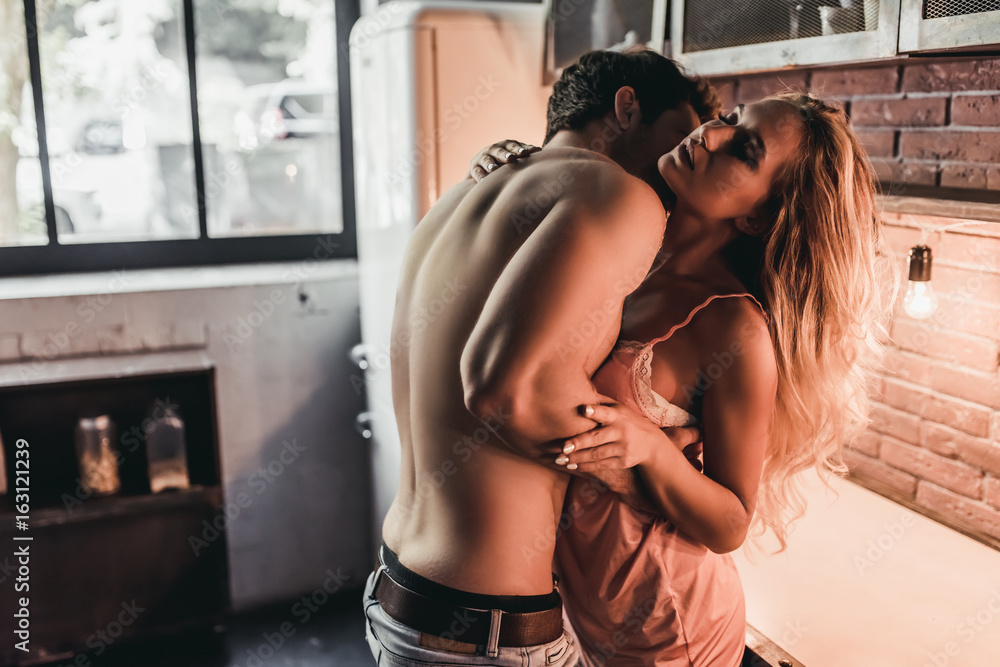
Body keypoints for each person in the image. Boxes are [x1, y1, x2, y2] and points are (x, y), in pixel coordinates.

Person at [468, 92, 896, 665]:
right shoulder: (630, 250)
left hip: (672, 625)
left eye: (743, 150)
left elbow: (730, 523)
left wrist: (651, 450)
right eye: (728, 118)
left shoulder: (732, 326)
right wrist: (516, 170)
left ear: (758, 216)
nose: (710, 135)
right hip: (585, 613)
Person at [362, 49, 719, 667]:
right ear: (627, 107)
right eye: (681, 131)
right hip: (484, 625)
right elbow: (510, 394)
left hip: (400, 589)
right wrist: (652, 466)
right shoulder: (623, 195)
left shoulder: (460, 197)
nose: (685, 155)